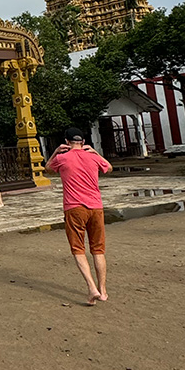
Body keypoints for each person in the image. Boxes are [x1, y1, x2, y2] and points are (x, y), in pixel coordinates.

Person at [46, 128, 113, 305]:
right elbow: (109, 168)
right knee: (98, 249)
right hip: (96, 206)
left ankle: (92, 288)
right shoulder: (93, 157)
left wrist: (55, 152)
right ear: (83, 142)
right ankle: (103, 290)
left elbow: (47, 168)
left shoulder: (61, 158)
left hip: (74, 207)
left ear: (67, 142)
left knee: (78, 248)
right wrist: (96, 152)